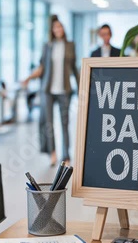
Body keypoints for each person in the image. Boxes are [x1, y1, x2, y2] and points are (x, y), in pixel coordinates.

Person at [22, 15, 79, 166]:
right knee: (48, 124)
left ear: (63, 29)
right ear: (52, 30)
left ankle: (66, 156)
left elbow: (74, 68)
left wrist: (82, 87)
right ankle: (52, 152)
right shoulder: (47, 46)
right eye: (55, 27)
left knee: (65, 123)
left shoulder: (70, 45)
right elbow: (42, 68)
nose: (58, 29)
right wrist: (29, 78)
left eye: (60, 27)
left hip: (64, 90)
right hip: (47, 90)